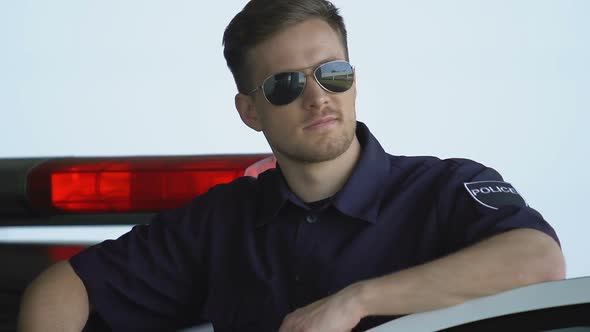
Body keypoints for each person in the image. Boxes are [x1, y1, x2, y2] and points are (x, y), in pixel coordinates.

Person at [18, 0, 565, 331]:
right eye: (287, 84)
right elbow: (63, 288)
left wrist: (355, 302)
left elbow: (537, 262)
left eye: (332, 72)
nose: (318, 96)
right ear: (250, 111)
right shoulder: (219, 223)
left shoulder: (445, 187)